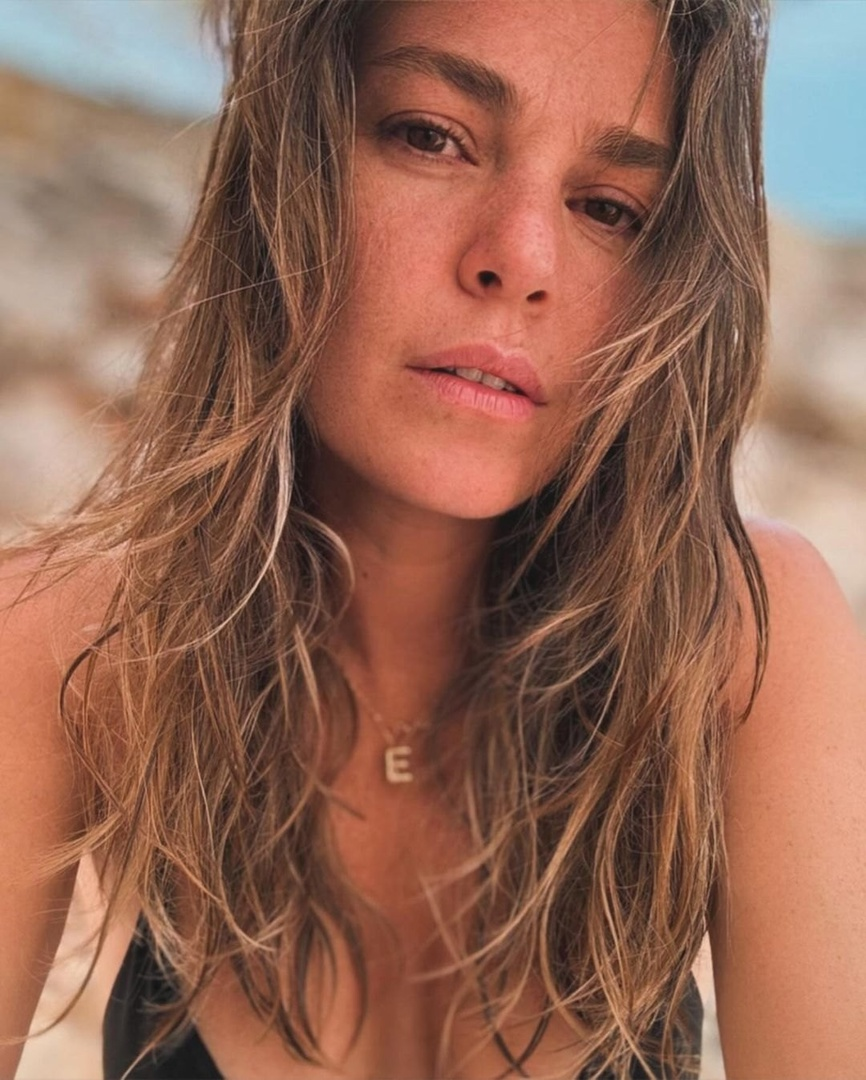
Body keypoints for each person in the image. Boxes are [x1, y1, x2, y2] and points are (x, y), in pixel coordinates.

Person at [1, 0, 864, 1078]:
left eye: (608, 208)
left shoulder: (737, 647)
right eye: (431, 137)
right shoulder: (70, 643)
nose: (521, 258)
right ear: (290, 161)